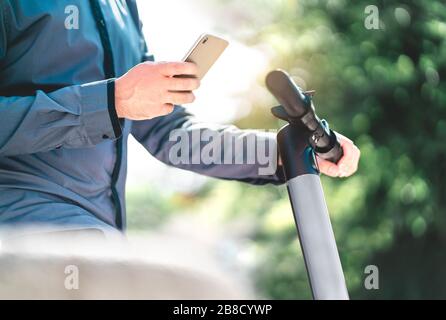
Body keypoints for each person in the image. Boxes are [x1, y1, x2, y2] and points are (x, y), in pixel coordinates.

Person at [0, 0, 360, 233]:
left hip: (101, 233)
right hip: (24, 225)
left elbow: (166, 132)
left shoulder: (121, 8)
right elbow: (118, 102)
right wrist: (111, 100)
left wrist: (283, 151)